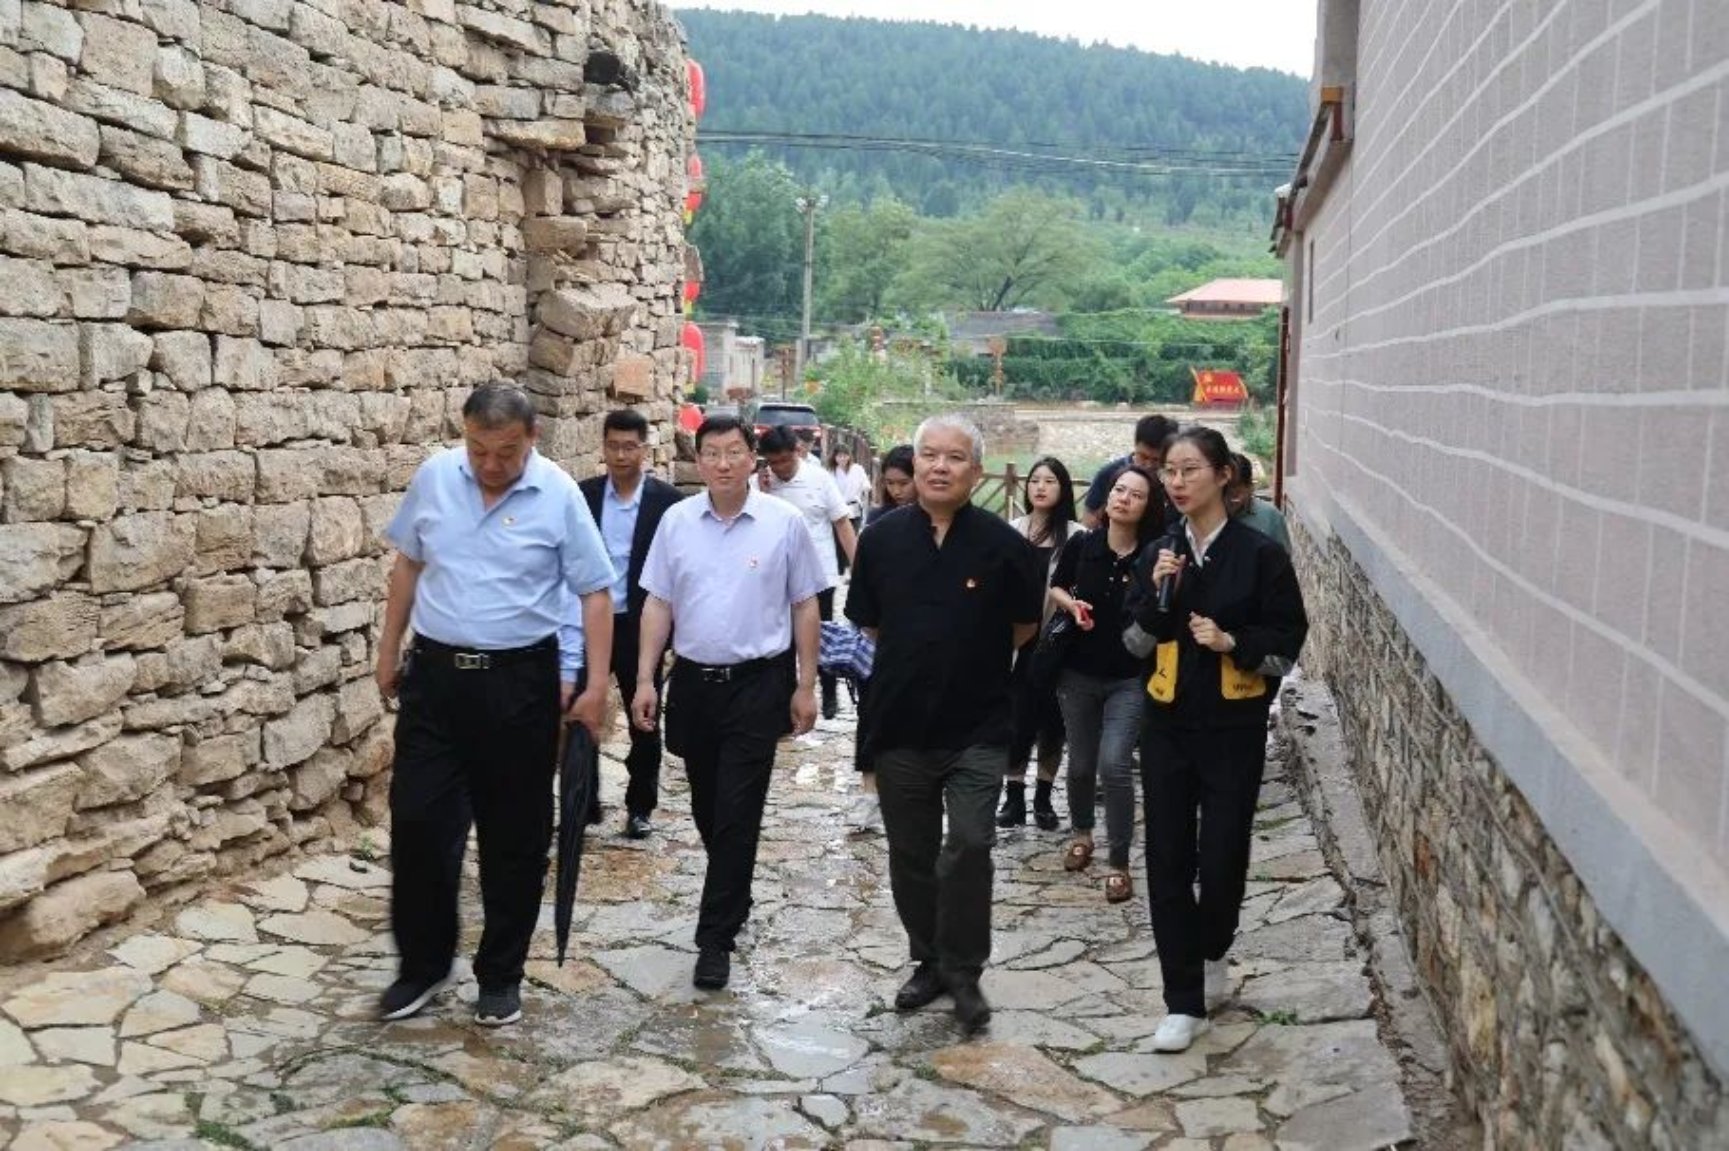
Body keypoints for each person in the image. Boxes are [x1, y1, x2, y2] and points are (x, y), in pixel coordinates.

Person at [375, 383, 616, 1028]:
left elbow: (595, 592)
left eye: (505, 452)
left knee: (515, 834)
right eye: (478, 449)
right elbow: (407, 565)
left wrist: (594, 685)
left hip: (520, 684)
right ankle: (423, 966)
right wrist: (388, 648)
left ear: (531, 438)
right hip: (436, 680)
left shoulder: (558, 494)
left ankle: (500, 974)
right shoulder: (436, 477)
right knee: (418, 823)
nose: (489, 464)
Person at [846, 413, 1044, 1034]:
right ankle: (928, 959)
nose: (939, 466)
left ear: (975, 471)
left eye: (954, 457)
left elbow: (1024, 627)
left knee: (970, 844)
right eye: (929, 454)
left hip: (978, 725)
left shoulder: (1004, 545)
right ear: (913, 464)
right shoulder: (881, 539)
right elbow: (870, 623)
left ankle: (964, 969)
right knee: (910, 853)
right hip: (899, 723)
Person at [1123, 426, 1307, 1052]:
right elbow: (1132, 646)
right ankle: (1183, 1001)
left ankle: (1214, 945)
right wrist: (1157, 599)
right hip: (1167, 725)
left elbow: (1288, 644)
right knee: (1167, 855)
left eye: (1190, 470)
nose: (1176, 483)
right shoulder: (1159, 554)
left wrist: (1234, 643)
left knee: (1224, 853)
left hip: (1234, 727)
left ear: (1223, 475)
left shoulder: (1261, 556)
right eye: (1169, 472)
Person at [631, 415, 828, 990]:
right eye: (712, 453)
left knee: (739, 810)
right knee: (708, 808)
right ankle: (733, 892)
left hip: (758, 684)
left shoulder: (783, 523)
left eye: (733, 451)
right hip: (695, 683)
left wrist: (806, 684)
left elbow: (805, 605)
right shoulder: (676, 522)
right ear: (698, 460)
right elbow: (658, 604)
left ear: (751, 458)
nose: (722, 463)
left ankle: (714, 939)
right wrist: (645, 678)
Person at [1046, 465, 1163, 902]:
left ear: (1148, 507)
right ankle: (1081, 833)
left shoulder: (1153, 555)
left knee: (1113, 764)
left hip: (1129, 677)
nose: (1123, 498)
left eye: (1135, 494)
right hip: (1077, 672)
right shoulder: (1084, 543)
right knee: (1080, 764)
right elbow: (1057, 586)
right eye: (1118, 490)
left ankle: (1119, 861)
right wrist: (1071, 605)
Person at [578, 410, 684, 838]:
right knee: (582, 712)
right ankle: (583, 802)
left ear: (644, 448)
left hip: (640, 626)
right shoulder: (583, 497)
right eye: (613, 446)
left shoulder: (667, 503)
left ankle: (640, 806)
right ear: (603, 447)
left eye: (629, 447)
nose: (620, 455)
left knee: (644, 715)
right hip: (590, 623)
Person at [998, 457, 1083, 830]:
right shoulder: (1012, 531)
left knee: (1052, 722)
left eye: (1050, 481)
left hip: (1057, 643)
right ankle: (1013, 795)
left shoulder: (1077, 536)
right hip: (1016, 640)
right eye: (1035, 480)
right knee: (1016, 720)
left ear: (1063, 489)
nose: (1041, 487)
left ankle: (1043, 797)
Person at [758, 426, 858, 720]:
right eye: (773, 462)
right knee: (783, 641)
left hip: (820, 575)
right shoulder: (760, 483)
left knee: (820, 636)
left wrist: (860, 567)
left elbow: (842, 523)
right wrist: (762, 491)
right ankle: (787, 700)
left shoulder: (820, 479)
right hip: (777, 577)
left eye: (785, 460)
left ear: (798, 452)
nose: (780, 468)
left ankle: (828, 690)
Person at [1080, 414, 1179, 528]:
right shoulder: (1108, 474)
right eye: (1143, 457)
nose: (1149, 465)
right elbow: (1090, 520)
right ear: (1135, 446)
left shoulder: (1175, 480)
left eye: (1157, 460)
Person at [1226, 453, 1292, 553]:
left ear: (1250, 487)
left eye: (1235, 494)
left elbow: (1284, 557)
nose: (1228, 500)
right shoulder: (1206, 516)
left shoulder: (1271, 517)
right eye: (1223, 492)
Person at [827, 446, 871, 573]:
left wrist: (864, 489)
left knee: (852, 536)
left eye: (845, 455)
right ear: (835, 457)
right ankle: (840, 568)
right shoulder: (831, 472)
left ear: (849, 456)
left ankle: (850, 567)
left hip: (854, 506)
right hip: (838, 508)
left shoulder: (857, 469)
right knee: (838, 538)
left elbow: (865, 484)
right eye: (839, 456)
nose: (842, 459)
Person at [865, 444, 916, 526]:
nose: (896, 491)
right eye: (890, 483)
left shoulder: (934, 517)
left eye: (904, 483)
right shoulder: (876, 518)